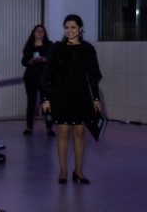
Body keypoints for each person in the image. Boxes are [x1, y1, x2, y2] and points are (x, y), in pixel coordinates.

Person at [40, 14, 103, 184]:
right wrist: (46, 98)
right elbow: (48, 74)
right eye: (67, 27)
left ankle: (79, 171)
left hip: (82, 96)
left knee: (80, 133)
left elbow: (93, 76)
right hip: (60, 95)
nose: (69, 30)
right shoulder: (57, 48)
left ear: (80, 28)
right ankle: (63, 171)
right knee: (63, 132)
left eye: (73, 27)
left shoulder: (88, 49)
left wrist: (96, 98)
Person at [21, 24, 54, 136]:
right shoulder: (29, 45)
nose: (39, 33)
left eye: (41, 31)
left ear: (44, 34)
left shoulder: (49, 45)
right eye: (37, 31)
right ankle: (29, 127)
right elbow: (23, 61)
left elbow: (53, 59)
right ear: (34, 33)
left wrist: (44, 59)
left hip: (45, 78)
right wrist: (29, 61)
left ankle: (49, 128)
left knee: (46, 102)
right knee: (31, 102)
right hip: (31, 77)